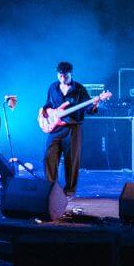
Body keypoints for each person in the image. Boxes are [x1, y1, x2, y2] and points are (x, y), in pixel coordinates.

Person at [41, 61, 90, 198]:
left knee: (72, 160)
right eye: (60, 75)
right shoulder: (52, 87)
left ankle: (69, 191)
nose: (62, 77)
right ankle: (51, 189)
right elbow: (48, 104)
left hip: (73, 128)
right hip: (56, 128)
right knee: (48, 157)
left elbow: (89, 108)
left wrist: (94, 104)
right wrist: (45, 112)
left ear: (71, 74)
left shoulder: (79, 89)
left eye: (65, 75)